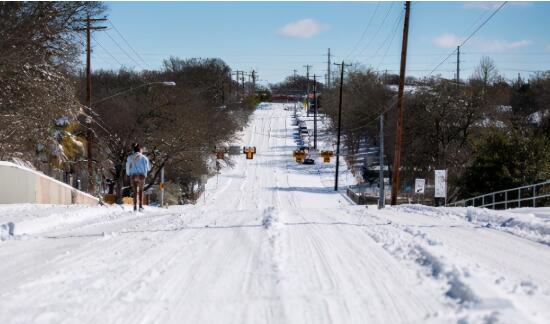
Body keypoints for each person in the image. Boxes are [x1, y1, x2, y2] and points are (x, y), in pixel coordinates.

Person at [126, 143, 150, 211]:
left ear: (134, 151)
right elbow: (148, 168)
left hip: (133, 176)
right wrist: (145, 174)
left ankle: (134, 206)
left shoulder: (130, 157)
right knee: (141, 191)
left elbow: (127, 166)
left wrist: (128, 173)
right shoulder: (144, 158)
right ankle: (140, 206)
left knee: (134, 191)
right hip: (141, 176)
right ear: (140, 151)